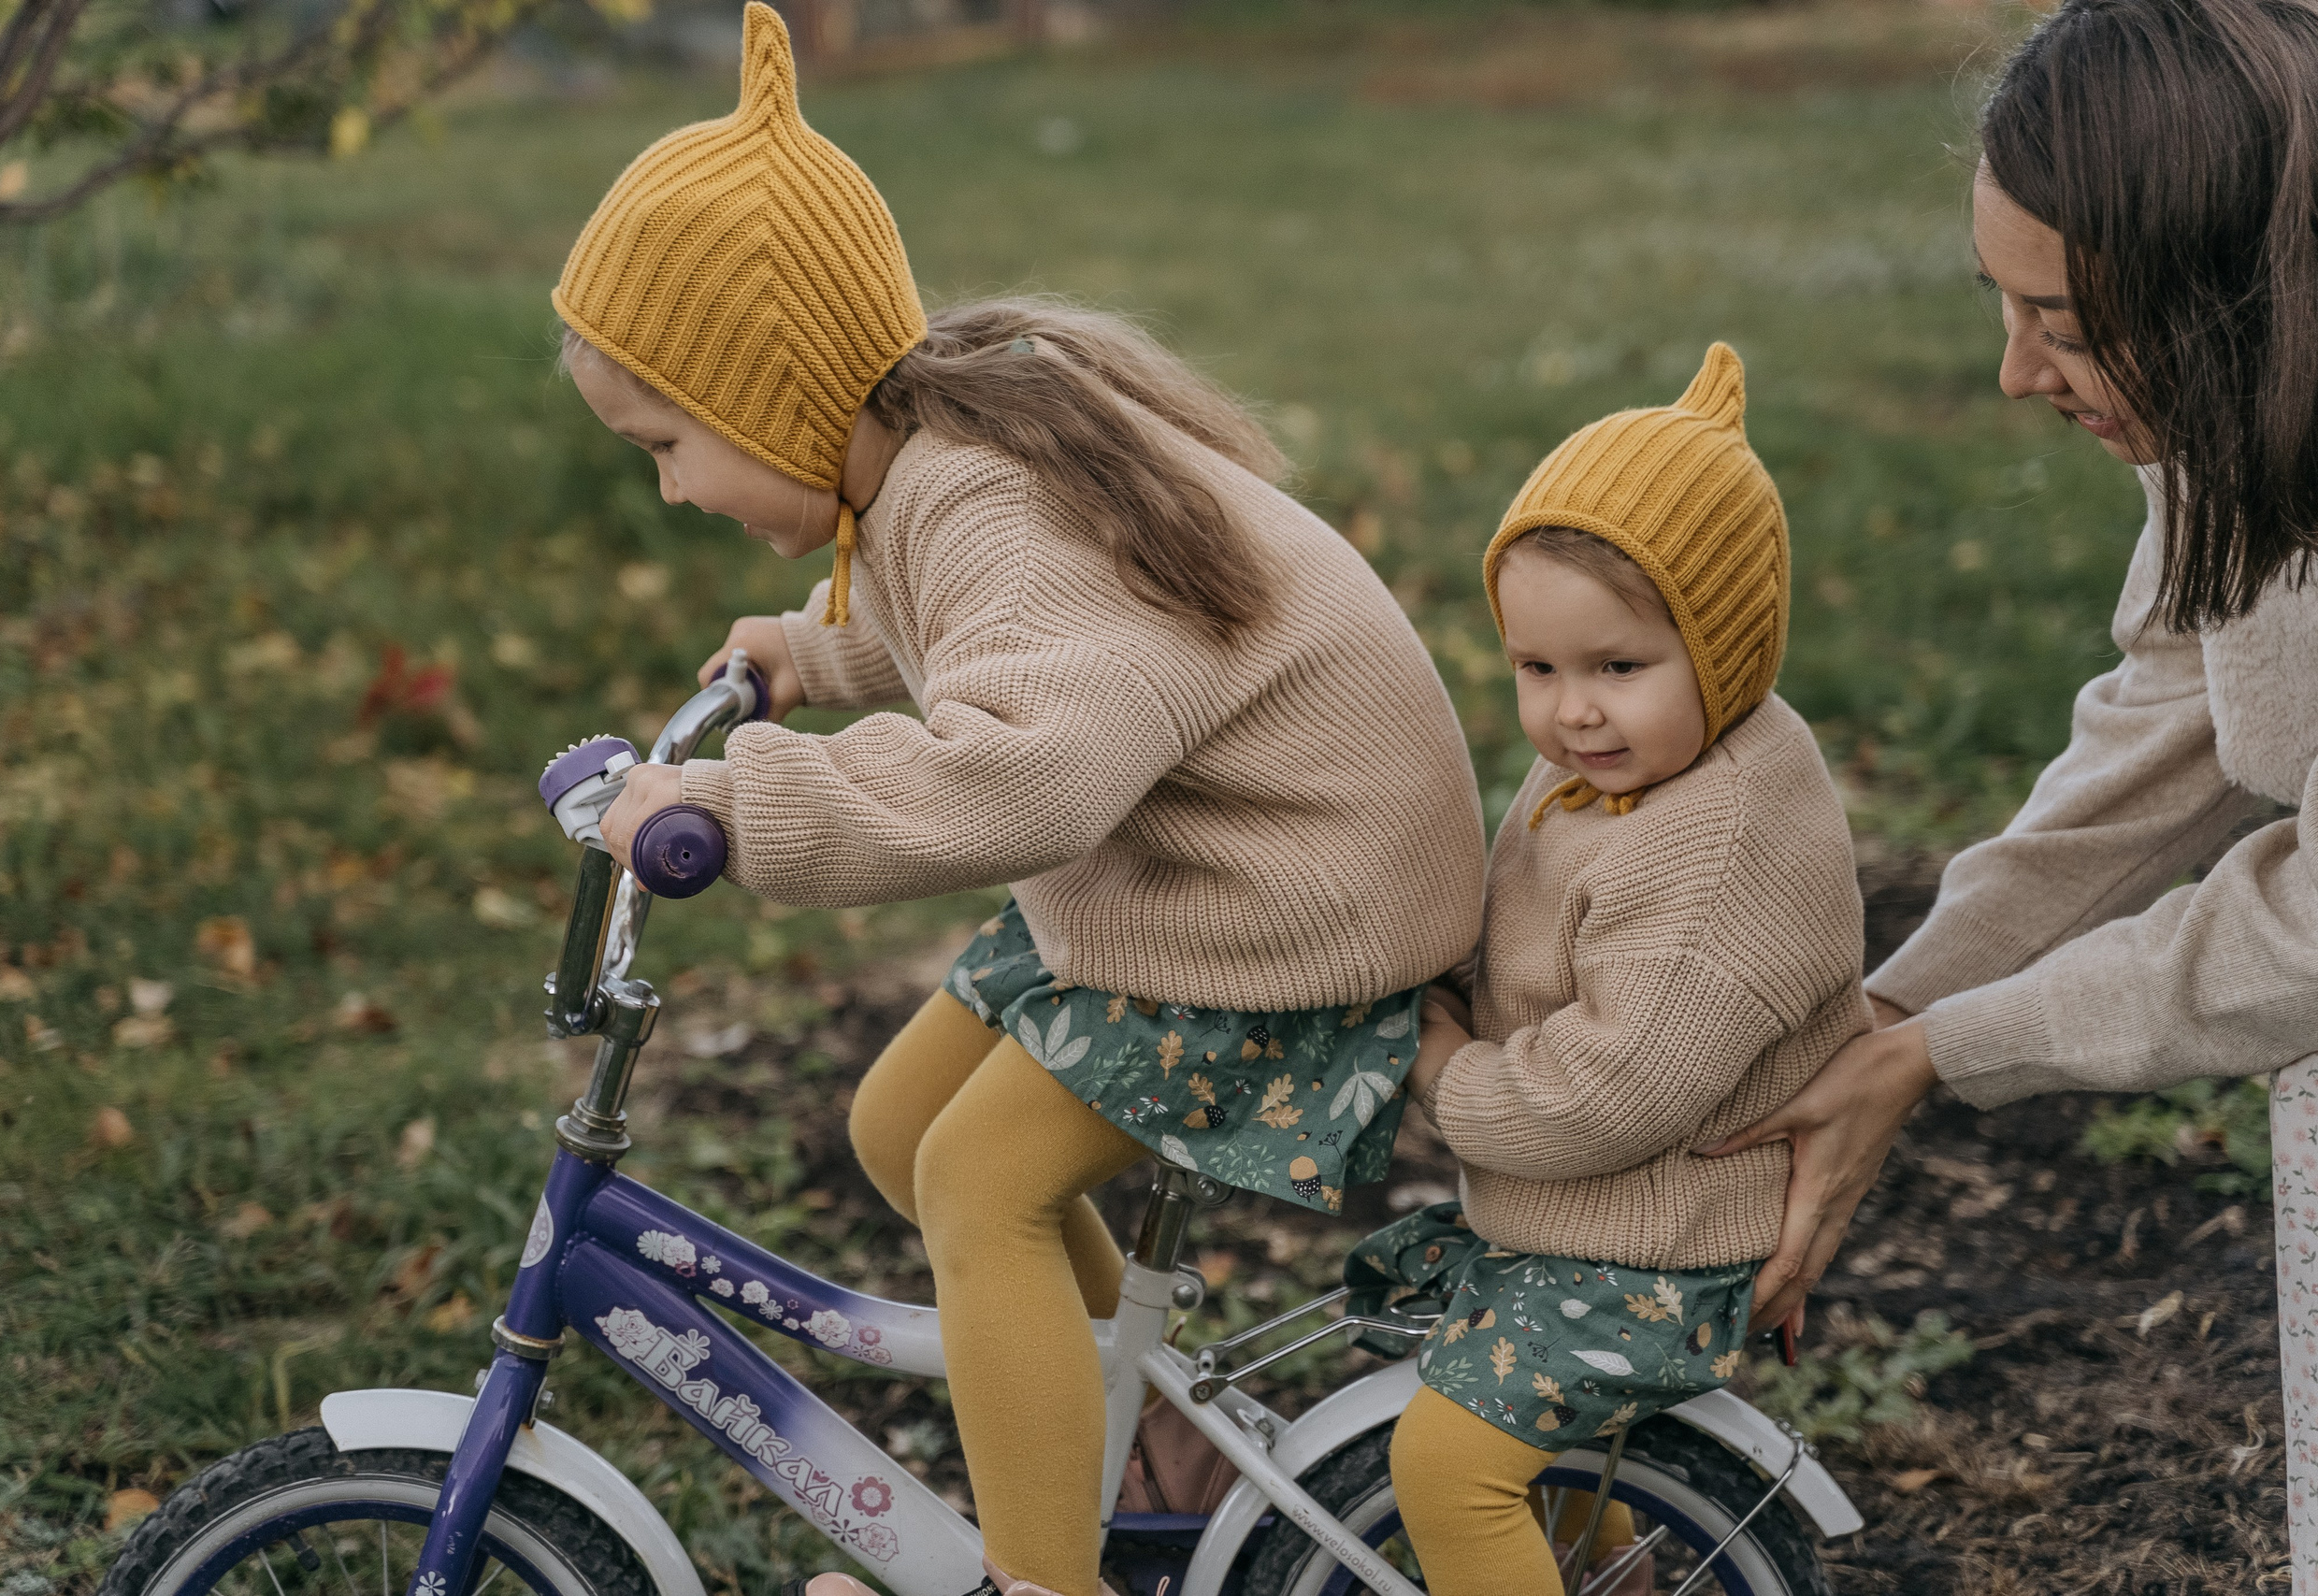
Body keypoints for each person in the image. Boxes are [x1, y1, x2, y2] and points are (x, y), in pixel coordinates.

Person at [555, 9, 1488, 1595]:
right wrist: (812, 655)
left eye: (670, 444)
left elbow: (1026, 772)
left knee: (978, 1185)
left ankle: (1040, 1581)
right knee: (895, 1124)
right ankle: (1158, 1435)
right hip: (1215, 875)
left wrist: (738, 809)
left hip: (1290, 914)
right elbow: (1011, 632)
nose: (672, 488)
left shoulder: (984, 494)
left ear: (777, 397)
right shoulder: (942, 456)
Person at [1696, 0, 2318, 1573]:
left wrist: (1945, 1051)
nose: (2014, 374)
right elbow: (2176, 714)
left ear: (2232, 295)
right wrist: (1885, 1015)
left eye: (2066, 323)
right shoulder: (2245, 414)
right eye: (2004, 304)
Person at [1387, 346, 1869, 1596]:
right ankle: (1612, 1572)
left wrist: (1442, 1068)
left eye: (1617, 667)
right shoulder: (1622, 768)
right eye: (1537, 669)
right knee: (1544, 1467)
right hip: (1594, 1222)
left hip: (1647, 1251)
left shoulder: (1717, 839)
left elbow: (1607, 1095)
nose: (1573, 712)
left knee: (1448, 1468)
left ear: (1726, 648)